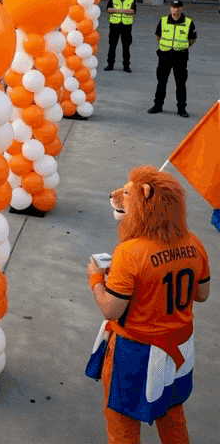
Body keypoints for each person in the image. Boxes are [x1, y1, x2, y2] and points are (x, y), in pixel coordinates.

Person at [86, 166, 210, 444]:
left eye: (127, 194)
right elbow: (202, 294)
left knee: (122, 424)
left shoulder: (130, 252)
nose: (118, 196)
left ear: (146, 201)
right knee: (172, 414)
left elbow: (111, 309)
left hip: (135, 352)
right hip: (179, 348)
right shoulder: (194, 243)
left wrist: (96, 279)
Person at [148, 0, 196, 118]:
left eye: (178, 8)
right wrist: (165, 48)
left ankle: (181, 108)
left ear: (182, 9)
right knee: (161, 82)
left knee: (180, 83)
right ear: (170, 9)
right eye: (174, 8)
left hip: (180, 57)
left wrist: (182, 47)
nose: (176, 10)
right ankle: (158, 105)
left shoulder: (188, 22)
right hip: (165, 56)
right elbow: (158, 36)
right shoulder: (163, 20)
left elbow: (192, 39)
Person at [104, 0, 136, 73]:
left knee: (126, 46)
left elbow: (133, 11)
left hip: (126, 26)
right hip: (114, 25)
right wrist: (123, 10)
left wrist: (116, 10)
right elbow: (108, 9)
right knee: (112, 45)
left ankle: (126, 66)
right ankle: (110, 65)